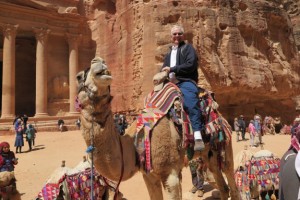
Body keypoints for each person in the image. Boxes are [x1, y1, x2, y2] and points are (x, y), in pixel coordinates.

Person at [161, 24, 204, 151]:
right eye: (174, 34)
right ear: (171, 37)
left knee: (191, 102)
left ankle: (197, 135)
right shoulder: (168, 54)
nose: (177, 36)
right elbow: (164, 68)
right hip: (170, 84)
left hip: (186, 81)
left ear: (183, 36)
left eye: (179, 33)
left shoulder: (188, 48)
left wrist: (172, 69)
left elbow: (191, 64)